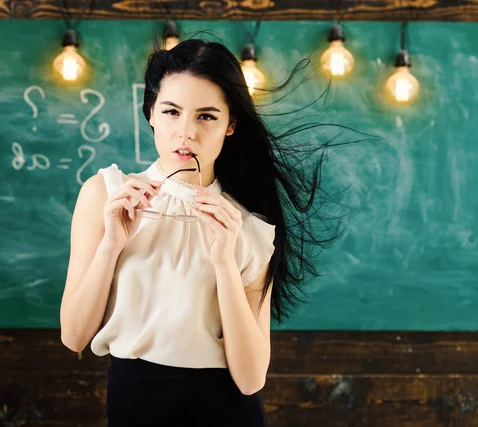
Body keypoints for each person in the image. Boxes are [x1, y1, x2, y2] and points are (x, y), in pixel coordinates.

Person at [60, 36, 344, 427]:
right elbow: (74, 336)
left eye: (206, 116)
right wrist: (112, 244)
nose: (186, 132)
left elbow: (250, 378)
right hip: (132, 407)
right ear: (151, 113)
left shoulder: (247, 226)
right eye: (172, 112)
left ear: (231, 125)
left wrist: (225, 263)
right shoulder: (106, 196)